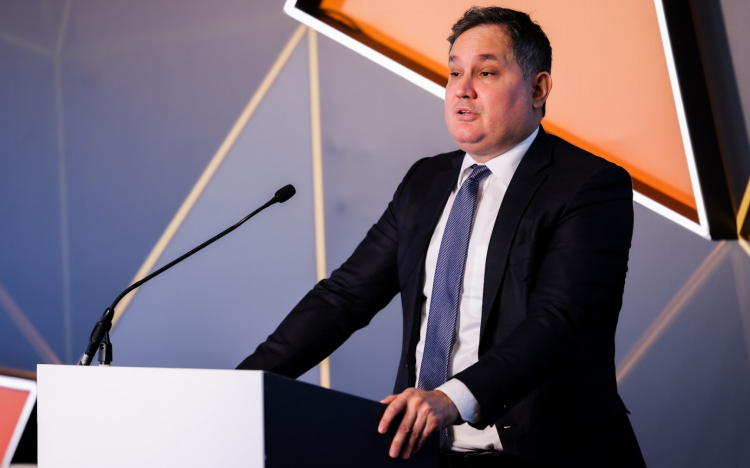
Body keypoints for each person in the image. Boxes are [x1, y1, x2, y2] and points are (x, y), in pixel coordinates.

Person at [238, 6, 645, 467]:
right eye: (454, 72)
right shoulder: (426, 181)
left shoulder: (588, 185)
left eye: (486, 73)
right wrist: (237, 389)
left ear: (538, 88)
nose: (462, 89)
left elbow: (559, 320)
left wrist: (452, 398)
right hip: (425, 455)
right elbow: (344, 297)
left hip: (548, 454)